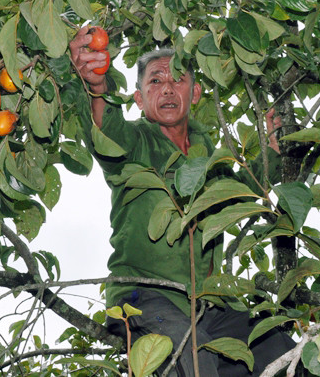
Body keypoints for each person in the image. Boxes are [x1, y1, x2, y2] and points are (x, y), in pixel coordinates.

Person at [69, 27, 295, 376]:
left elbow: (240, 191)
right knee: (191, 350)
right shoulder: (135, 144)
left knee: (277, 346)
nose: (168, 88)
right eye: (155, 81)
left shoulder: (208, 157)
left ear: (196, 93)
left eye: (178, 79)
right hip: (144, 298)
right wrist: (97, 86)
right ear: (139, 101)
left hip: (208, 305)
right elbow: (106, 130)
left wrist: (272, 154)